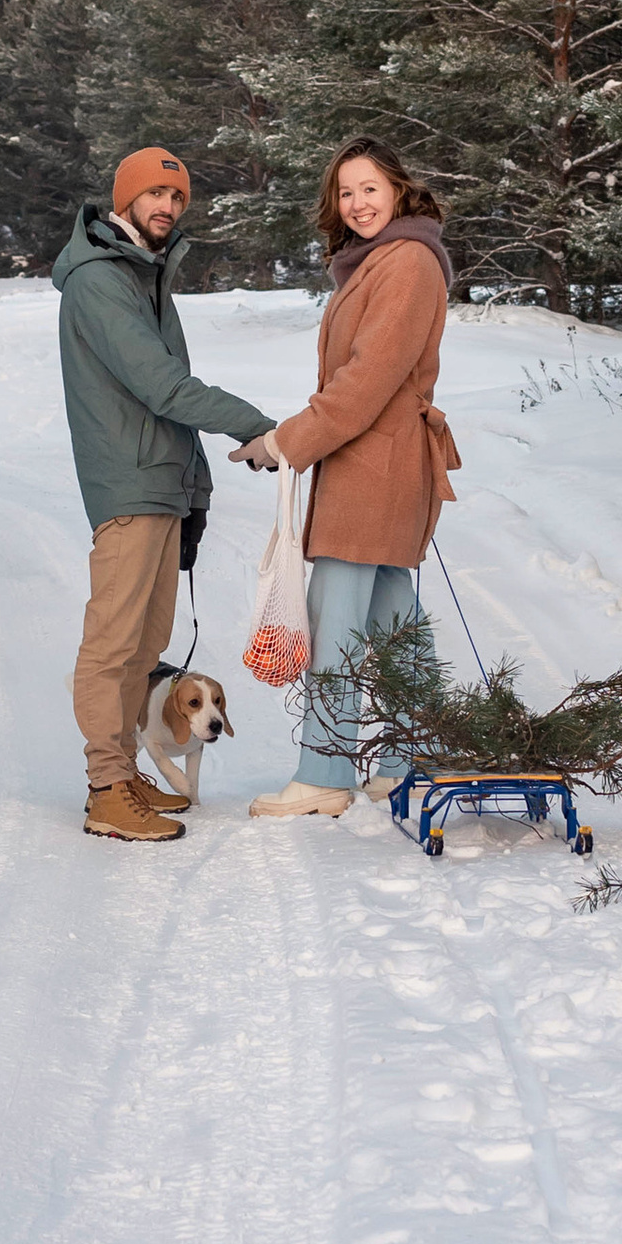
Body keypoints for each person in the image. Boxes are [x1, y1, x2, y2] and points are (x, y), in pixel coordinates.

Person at [54, 146, 279, 844]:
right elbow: (161, 386)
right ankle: (104, 788)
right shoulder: (100, 282)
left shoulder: (141, 275)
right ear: (124, 200)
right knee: (114, 644)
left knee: (148, 644)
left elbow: (162, 394)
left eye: (177, 198)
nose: (167, 207)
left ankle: (124, 772)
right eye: (154, 194)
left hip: (159, 483)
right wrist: (260, 427)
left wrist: (195, 487)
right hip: (128, 482)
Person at [250, 136, 459, 819]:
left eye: (370, 188)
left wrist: (290, 441)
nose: (358, 203)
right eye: (346, 192)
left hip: (379, 464)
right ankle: (414, 755)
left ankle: (323, 773)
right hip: (375, 462)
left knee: (334, 620)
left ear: (399, 189)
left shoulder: (407, 263)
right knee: (390, 616)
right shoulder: (381, 262)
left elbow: (366, 380)